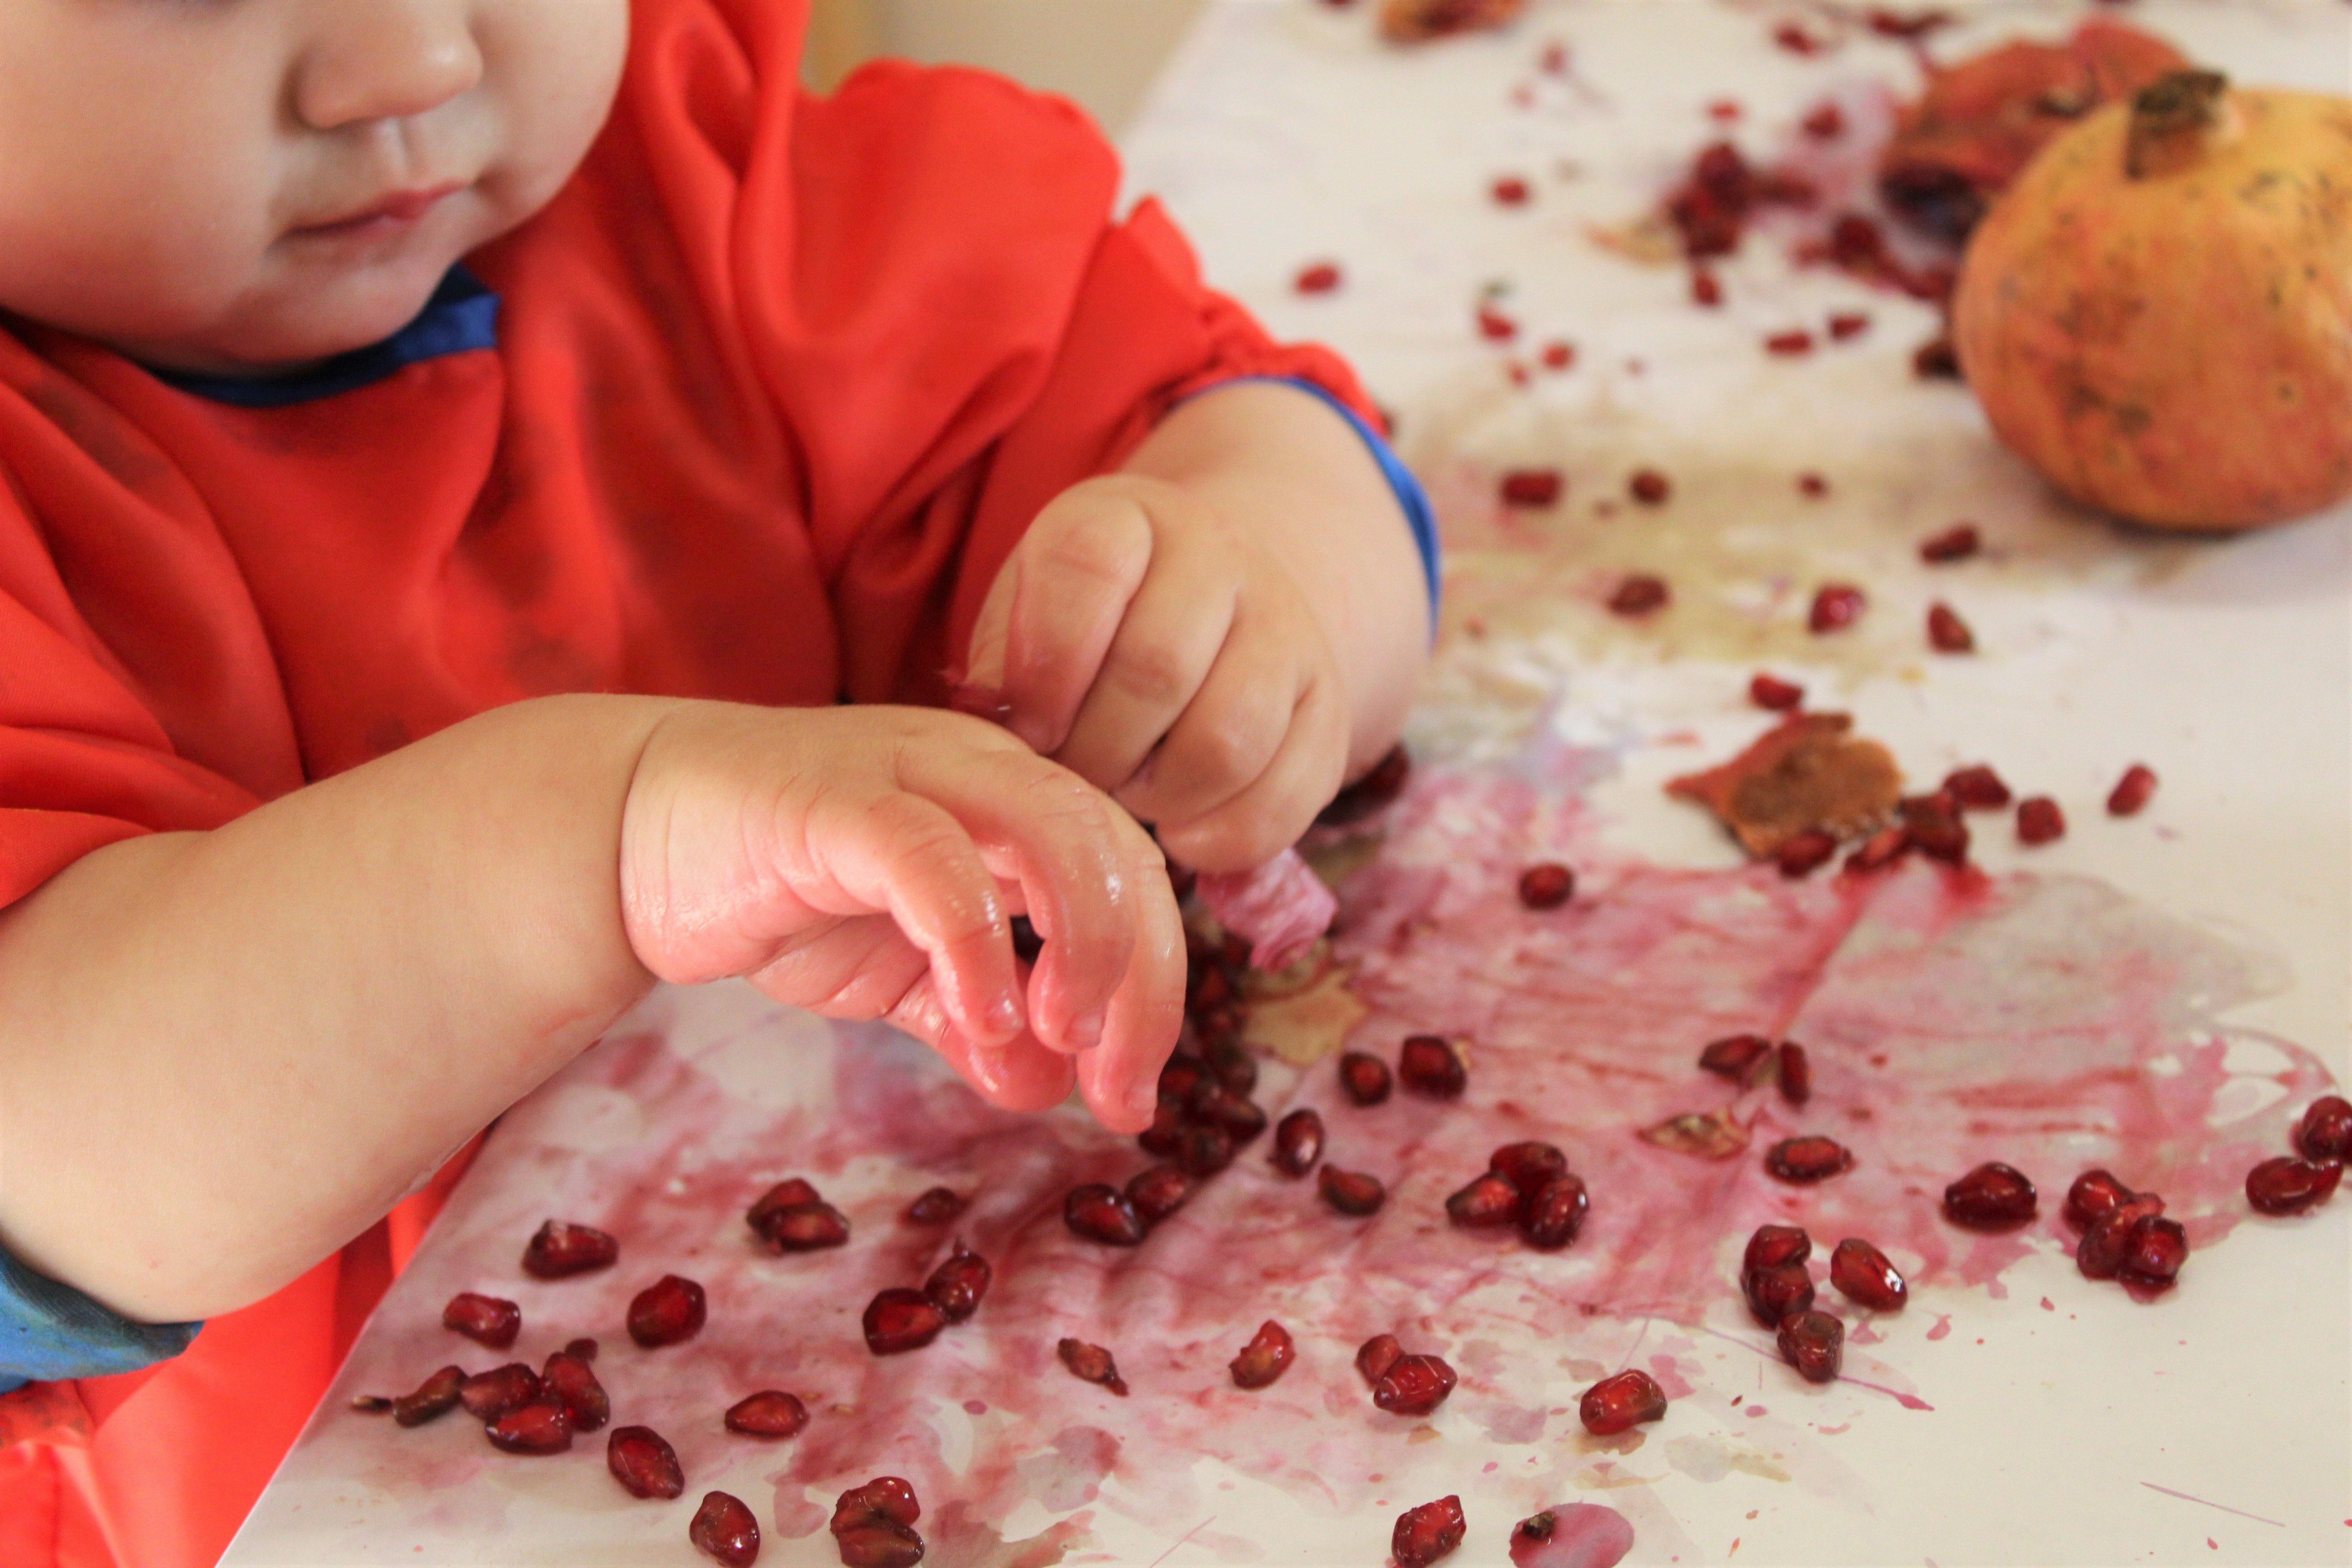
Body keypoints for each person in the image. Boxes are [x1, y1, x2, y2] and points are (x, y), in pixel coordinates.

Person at [0, 0, 1433, 1561]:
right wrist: (605, 843)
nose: (414, 62)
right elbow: (62, 1140)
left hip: (911, 1420)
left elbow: (1244, 429)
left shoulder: (710, 180)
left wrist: (1240, 593)